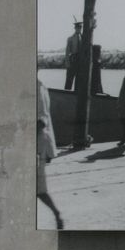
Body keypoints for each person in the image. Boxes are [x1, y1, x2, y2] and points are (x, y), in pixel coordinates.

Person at [37, 77, 63, 229]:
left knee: (39, 190)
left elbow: (41, 121)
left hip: (37, 145)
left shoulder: (38, 89)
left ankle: (56, 214)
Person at [64, 22, 83, 90]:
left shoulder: (83, 38)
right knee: (69, 80)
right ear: (75, 28)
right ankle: (66, 94)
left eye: (80, 28)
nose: (79, 29)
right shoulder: (70, 38)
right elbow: (67, 52)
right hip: (72, 60)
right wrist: (67, 63)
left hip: (80, 62)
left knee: (78, 82)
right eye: (77, 28)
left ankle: (76, 95)